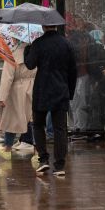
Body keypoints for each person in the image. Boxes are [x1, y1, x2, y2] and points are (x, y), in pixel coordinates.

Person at [24, 25, 77, 176]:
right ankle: (60, 166)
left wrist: (28, 50)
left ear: (43, 26)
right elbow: (73, 70)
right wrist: (70, 92)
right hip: (61, 90)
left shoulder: (38, 43)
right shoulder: (66, 44)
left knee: (38, 125)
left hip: (42, 90)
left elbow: (30, 64)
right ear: (55, 25)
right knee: (60, 129)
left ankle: (43, 159)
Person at [0, 40, 36, 160]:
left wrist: (2, 96)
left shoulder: (13, 53)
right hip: (34, 87)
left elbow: (7, 77)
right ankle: (38, 151)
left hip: (17, 89)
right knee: (34, 120)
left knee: (11, 119)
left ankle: (7, 148)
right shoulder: (36, 51)